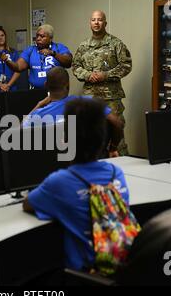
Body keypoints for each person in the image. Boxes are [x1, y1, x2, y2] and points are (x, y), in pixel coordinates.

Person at [23, 97, 130, 272]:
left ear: (65, 140)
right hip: (117, 265)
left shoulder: (59, 182)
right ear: (103, 139)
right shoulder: (116, 173)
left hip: (83, 273)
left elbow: (28, 204)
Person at [23, 67, 123, 158]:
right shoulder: (88, 102)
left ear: (46, 85)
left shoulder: (39, 114)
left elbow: (18, 131)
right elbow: (117, 122)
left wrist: (39, 105)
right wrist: (113, 148)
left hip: (54, 164)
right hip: (87, 160)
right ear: (68, 84)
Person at [72, 10, 132, 155]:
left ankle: (124, 165)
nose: (96, 23)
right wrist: (87, 75)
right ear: (90, 23)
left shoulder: (116, 44)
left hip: (110, 97)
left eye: (99, 20)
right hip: (90, 97)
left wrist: (106, 75)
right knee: (91, 133)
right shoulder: (83, 46)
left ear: (105, 22)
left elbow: (126, 65)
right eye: (93, 20)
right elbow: (75, 66)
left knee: (117, 132)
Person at [2, 24, 72, 89]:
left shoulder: (58, 47)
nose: (38, 38)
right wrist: (7, 61)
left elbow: (68, 62)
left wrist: (53, 53)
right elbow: (18, 67)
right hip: (35, 91)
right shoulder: (30, 50)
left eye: (42, 36)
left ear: (50, 38)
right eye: (37, 36)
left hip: (56, 91)